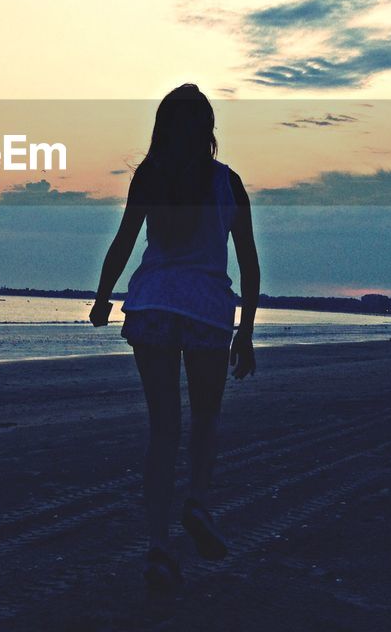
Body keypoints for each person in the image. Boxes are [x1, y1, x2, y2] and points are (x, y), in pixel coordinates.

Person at [89, 84, 260, 591]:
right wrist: (245, 333)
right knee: (205, 417)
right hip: (207, 309)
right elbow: (249, 266)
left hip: (156, 304)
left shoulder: (150, 176)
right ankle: (199, 504)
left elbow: (123, 240)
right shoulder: (229, 184)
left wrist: (102, 297)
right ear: (208, 131)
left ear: (161, 129)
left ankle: (159, 548)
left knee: (164, 430)